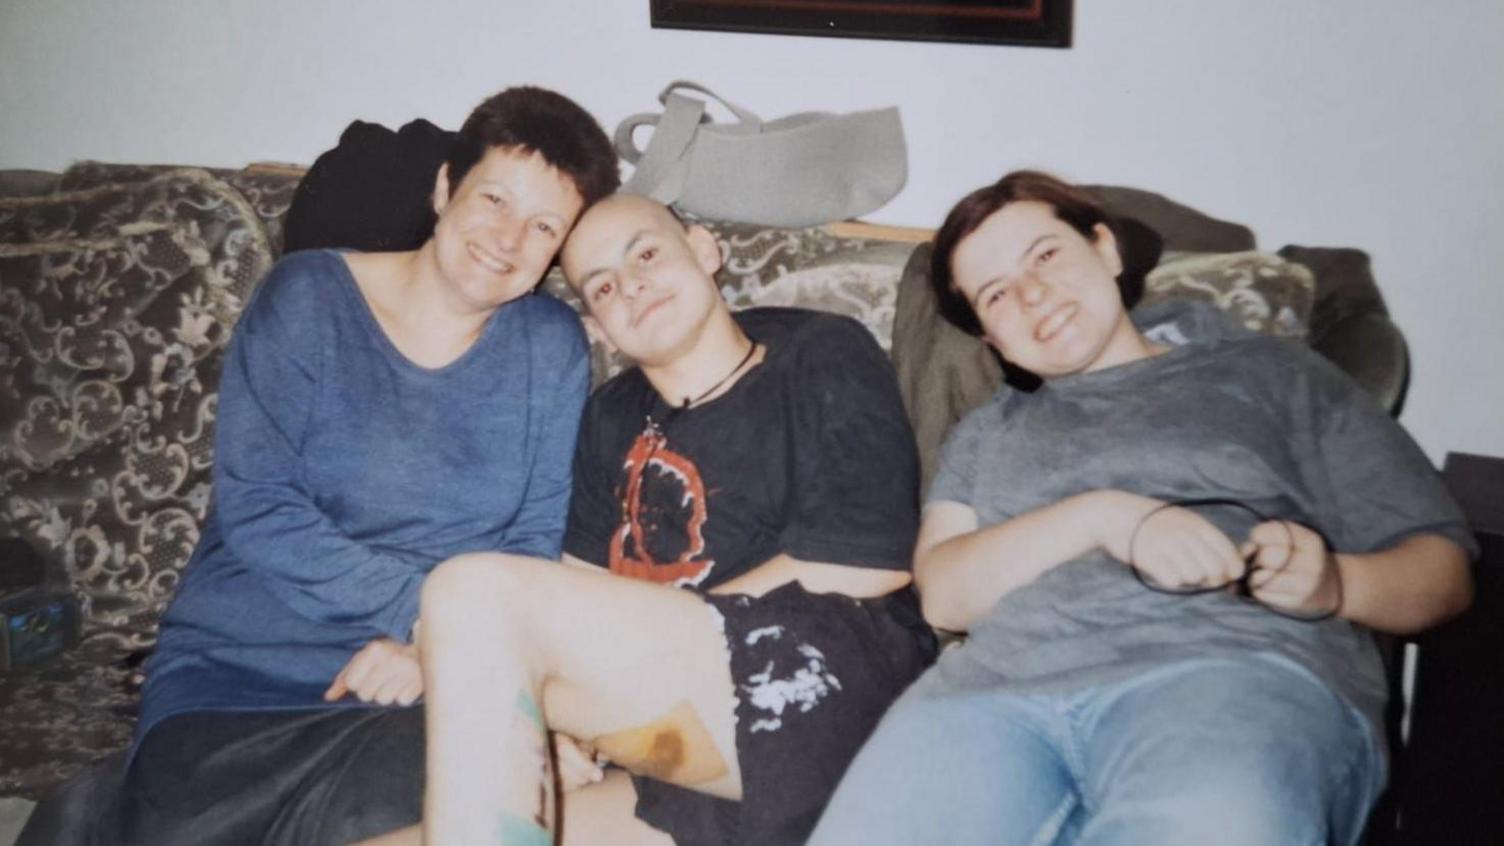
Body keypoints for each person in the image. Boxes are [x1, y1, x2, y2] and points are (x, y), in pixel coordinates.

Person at [807, 170, 1476, 846]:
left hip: (1229, 674)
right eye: (997, 294)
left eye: (1045, 254)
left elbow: (1442, 572)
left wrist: (1337, 584)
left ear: (1105, 248)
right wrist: (1108, 516)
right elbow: (944, 595)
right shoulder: (986, 431)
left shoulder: (1274, 375)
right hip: (995, 694)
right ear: (991, 340)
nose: (1033, 293)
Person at [107, 86, 620, 845]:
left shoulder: (551, 347)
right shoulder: (307, 297)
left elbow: (535, 537)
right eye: (494, 200)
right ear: (446, 188)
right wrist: (428, 621)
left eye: (544, 225)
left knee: (471, 808)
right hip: (242, 673)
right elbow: (261, 508)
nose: (509, 240)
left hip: (422, 685)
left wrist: (439, 655)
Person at [357, 193, 936, 846]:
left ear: (704, 249)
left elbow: (865, 562)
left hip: (833, 692)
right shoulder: (611, 415)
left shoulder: (818, 350)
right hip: (706, 754)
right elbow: (577, 588)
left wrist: (588, 678)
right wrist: (560, 723)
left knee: (466, 591)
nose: (630, 285)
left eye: (648, 254)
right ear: (601, 326)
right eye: (602, 287)